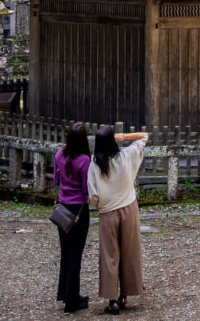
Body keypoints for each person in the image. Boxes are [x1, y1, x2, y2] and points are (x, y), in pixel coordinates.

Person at [87, 126, 150, 314]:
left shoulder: (95, 163)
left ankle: (112, 299)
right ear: (113, 141)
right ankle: (125, 294)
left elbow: (93, 194)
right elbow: (145, 136)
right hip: (128, 207)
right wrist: (124, 137)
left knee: (109, 256)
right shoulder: (126, 156)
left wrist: (101, 205)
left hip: (107, 212)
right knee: (129, 252)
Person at [52, 123, 92, 313]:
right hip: (78, 211)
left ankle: (65, 293)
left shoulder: (59, 154)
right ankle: (72, 300)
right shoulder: (84, 160)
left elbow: (55, 180)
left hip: (62, 208)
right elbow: (86, 189)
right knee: (76, 254)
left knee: (66, 253)